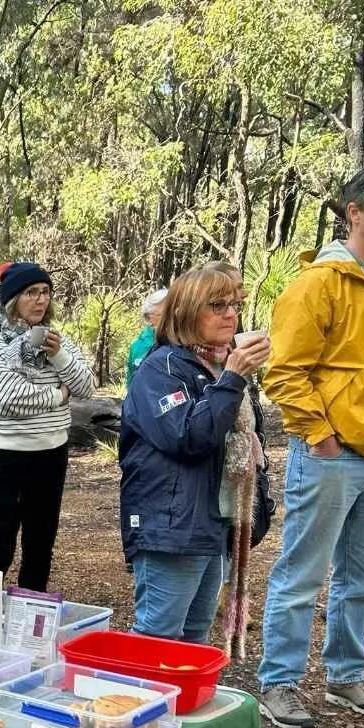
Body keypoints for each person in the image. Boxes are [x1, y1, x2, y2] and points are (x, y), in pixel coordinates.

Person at [256, 164, 364, 728]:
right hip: (332, 456)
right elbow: (284, 372)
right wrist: (322, 437)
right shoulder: (317, 285)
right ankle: (278, 683)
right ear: (355, 213)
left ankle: (345, 676)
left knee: (363, 574)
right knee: (302, 573)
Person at [119, 267, 270, 643]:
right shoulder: (161, 368)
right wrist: (233, 378)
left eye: (234, 304)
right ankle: (145, 702)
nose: (230, 314)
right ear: (186, 311)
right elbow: (188, 436)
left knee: (195, 636)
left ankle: (183, 703)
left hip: (212, 523)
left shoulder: (218, 364)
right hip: (172, 526)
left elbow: (248, 439)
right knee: (158, 634)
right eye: (216, 305)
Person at [0, 261, 95, 591]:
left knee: (40, 547)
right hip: (4, 456)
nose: (40, 300)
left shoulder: (58, 341)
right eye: (31, 293)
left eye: (45, 292)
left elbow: (86, 387)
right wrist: (58, 394)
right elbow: (6, 396)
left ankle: (30, 623)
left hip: (51, 454)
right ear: (12, 299)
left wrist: (59, 358)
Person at [125, 287, 168, 388]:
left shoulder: (185, 343)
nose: (169, 320)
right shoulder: (137, 346)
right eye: (162, 315)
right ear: (149, 317)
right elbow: (131, 383)